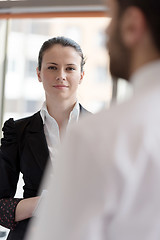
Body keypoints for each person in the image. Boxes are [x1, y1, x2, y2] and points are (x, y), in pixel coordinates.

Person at [26, 0, 160, 240]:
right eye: (52, 68)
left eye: (111, 17)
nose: (106, 32)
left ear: (131, 25)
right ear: (39, 72)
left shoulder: (99, 135)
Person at [0, 36, 90, 240]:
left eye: (70, 68)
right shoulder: (17, 130)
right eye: (52, 67)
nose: (61, 75)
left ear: (82, 75)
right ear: (39, 73)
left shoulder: (103, 129)